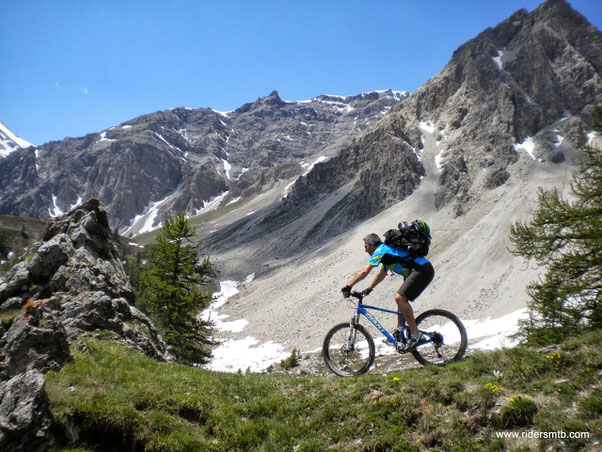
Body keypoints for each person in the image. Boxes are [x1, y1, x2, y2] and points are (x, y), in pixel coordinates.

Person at [341, 231, 435, 351]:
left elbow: (365, 271)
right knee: (401, 300)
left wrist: (348, 286)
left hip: (422, 270)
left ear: (371, 244)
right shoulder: (387, 252)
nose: (365, 250)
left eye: (365, 247)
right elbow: (382, 273)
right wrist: (369, 288)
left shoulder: (381, 250)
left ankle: (416, 335)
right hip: (420, 270)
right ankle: (400, 331)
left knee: (399, 298)